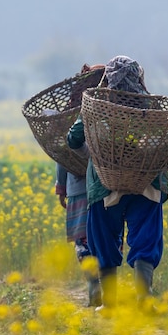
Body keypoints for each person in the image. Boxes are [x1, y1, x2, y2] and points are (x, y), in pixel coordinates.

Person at [67, 55, 168, 311]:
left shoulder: (96, 105)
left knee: (103, 239)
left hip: (104, 184)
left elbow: (74, 139)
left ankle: (109, 303)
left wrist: (92, 153)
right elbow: (165, 139)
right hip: (145, 182)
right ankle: (144, 299)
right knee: (146, 238)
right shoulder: (151, 107)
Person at [54, 63, 105, 307]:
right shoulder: (111, 109)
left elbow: (62, 153)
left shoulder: (76, 111)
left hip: (78, 188)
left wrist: (60, 186)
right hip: (107, 186)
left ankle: (93, 286)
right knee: (106, 239)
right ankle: (106, 287)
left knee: (83, 242)